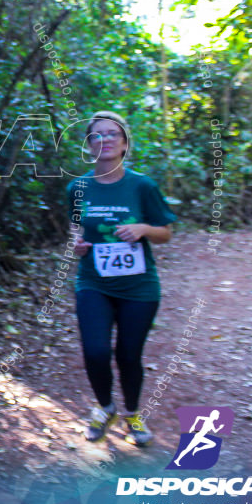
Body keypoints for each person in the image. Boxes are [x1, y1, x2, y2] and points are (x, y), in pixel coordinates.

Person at [66, 111, 176, 447]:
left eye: (113, 134)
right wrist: (77, 245)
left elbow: (166, 233)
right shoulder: (77, 187)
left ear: (125, 143)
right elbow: (75, 228)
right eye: (98, 135)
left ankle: (132, 414)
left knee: (129, 355)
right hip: (93, 282)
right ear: (89, 145)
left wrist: (143, 228)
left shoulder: (143, 186)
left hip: (139, 287)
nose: (106, 139)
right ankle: (105, 407)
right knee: (96, 351)